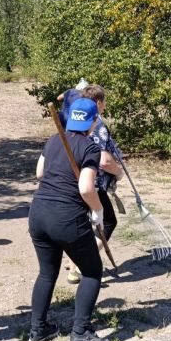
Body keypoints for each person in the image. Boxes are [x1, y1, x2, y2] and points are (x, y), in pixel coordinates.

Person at [28, 97, 111, 341]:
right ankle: (81, 333)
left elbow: (40, 174)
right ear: (93, 121)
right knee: (92, 271)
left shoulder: (54, 141)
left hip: (38, 213)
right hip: (66, 217)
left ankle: (37, 331)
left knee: (47, 272)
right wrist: (98, 210)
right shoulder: (90, 147)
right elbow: (86, 188)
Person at [66, 84, 123, 284]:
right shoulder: (97, 124)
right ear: (98, 103)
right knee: (107, 222)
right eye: (104, 101)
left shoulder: (77, 121)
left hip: (79, 179)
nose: (105, 105)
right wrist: (118, 172)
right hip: (93, 182)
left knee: (87, 223)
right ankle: (79, 265)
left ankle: (74, 263)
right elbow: (103, 159)